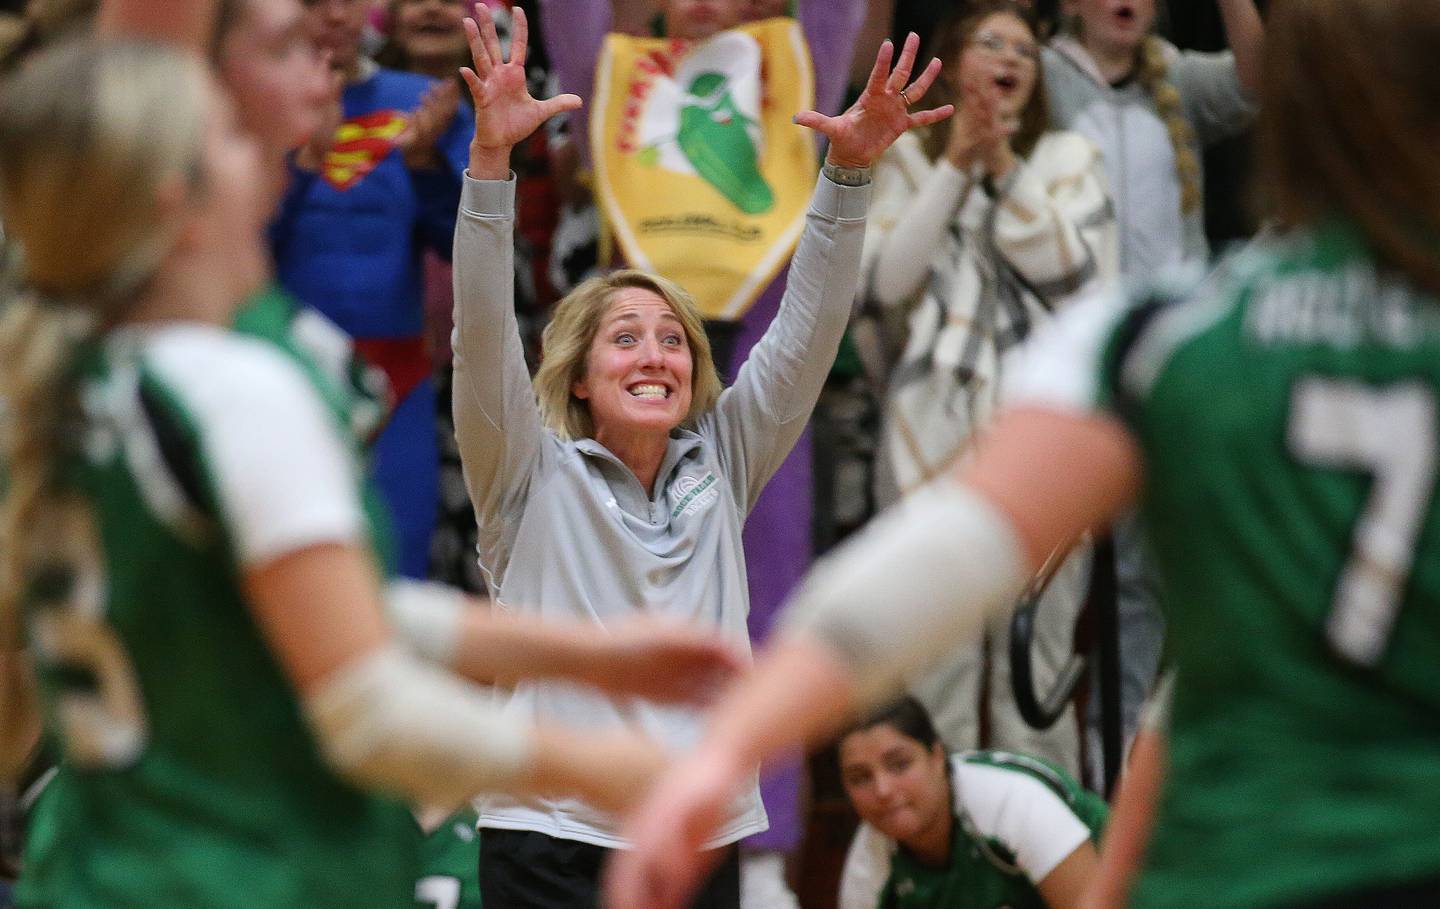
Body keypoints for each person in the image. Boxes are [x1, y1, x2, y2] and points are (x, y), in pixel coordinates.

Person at [608, 1, 1440, 906]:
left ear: (1291, 115)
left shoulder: (1170, 337)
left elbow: (953, 548)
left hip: (1237, 860)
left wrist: (730, 744)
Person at [0, 35, 745, 908]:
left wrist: (587, 655)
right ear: (180, 203)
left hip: (98, 865)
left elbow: (312, 609)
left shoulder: (62, 382)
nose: (269, 152)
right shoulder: (232, 390)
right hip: (233, 872)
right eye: (232, 142)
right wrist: (589, 762)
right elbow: (364, 701)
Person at [451, 8, 952, 907]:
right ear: (577, 378)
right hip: (546, 834)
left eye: (673, 340)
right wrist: (491, 167)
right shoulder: (525, 470)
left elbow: (805, 335)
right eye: (626, 338)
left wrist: (850, 173)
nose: (655, 354)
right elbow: (481, 339)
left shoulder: (723, 457)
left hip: (694, 825)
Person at [862, 0, 1113, 768]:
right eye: (991, 43)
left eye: (1026, 52)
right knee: (932, 664)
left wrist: (1002, 166)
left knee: (1031, 670)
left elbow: (1078, 277)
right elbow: (884, 283)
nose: (1010, 59)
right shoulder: (906, 158)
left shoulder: (1068, 156)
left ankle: (1045, 871)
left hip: (1043, 436)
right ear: (952, 58)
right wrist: (955, 165)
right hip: (925, 430)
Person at [1043, 0, 1264, 755]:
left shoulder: (1172, 72)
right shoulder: (1040, 72)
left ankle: (1121, 755)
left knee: (1146, 580)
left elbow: (1263, 81)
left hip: (1164, 367)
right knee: (1058, 581)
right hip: (1065, 367)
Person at [269, 0, 474, 578]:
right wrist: (306, 162)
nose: (334, 15)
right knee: (286, 561)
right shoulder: (254, 99)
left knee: (399, 557)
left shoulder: (421, 101)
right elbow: (238, 249)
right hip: (285, 369)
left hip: (396, 374)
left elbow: (466, 241)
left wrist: (429, 165)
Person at [836, 698, 1104, 909]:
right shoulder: (869, 861)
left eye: (899, 765)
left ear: (938, 756)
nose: (882, 790)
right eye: (860, 778)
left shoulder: (1011, 802)